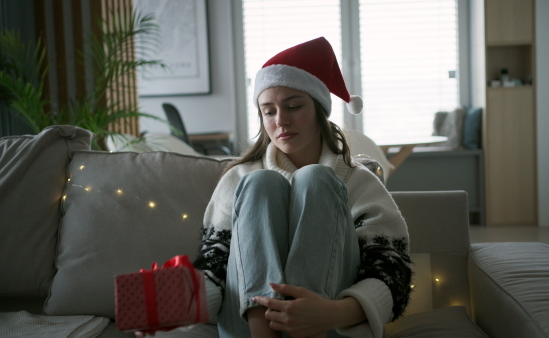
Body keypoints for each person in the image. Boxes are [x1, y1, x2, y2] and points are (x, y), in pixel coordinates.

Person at [140, 37, 411, 338]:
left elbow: (392, 272)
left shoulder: (359, 182)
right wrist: (173, 309)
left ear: (320, 110)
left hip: (329, 324)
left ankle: (305, 327)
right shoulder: (239, 179)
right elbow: (215, 270)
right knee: (258, 183)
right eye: (269, 112)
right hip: (247, 327)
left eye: (293, 106)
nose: (281, 120)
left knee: (316, 179)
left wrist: (331, 312)